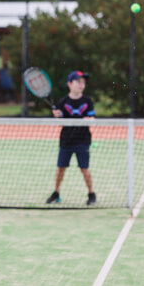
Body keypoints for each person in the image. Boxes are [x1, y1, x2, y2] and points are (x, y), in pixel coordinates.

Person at [46, 71, 96, 205]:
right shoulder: (63, 102)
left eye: (83, 82)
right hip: (66, 141)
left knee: (84, 169)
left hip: (83, 140)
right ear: (69, 84)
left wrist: (86, 119)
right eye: (78, 81)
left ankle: (91, 194)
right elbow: (61, 122)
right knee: (60, 168)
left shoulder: (87, 101)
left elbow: (91, 119)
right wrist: (58, 116)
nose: (81, 84)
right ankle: (56, 193)